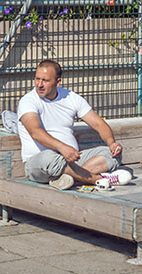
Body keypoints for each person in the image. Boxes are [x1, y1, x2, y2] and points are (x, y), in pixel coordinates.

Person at [14, 59, 132, 190]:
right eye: (37, 79)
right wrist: (62, 148)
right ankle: (99, 180)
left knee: (111, 153)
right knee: (49, 158)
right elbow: (35, 132)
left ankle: (69, 179)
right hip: (40, 164)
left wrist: (112, 143)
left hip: (72, 161)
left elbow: (98, 123)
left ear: (58, 82)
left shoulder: (71, 98)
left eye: (45, 80)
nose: (39, 85)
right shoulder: (28, 101)